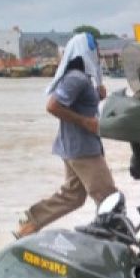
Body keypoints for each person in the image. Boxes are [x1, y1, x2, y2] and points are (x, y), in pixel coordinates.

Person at [16, 32, 114, 237]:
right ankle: (117, 244)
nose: (98, 54)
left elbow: (78, 103)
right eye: (95, 50)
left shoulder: (81, 78)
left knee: (72, 197)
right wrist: (85, 122)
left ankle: (30, 224)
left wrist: (97, 95)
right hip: (83, 150)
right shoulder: (76, 78)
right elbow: (53, 106)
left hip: (73, 147)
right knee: (109, 200)